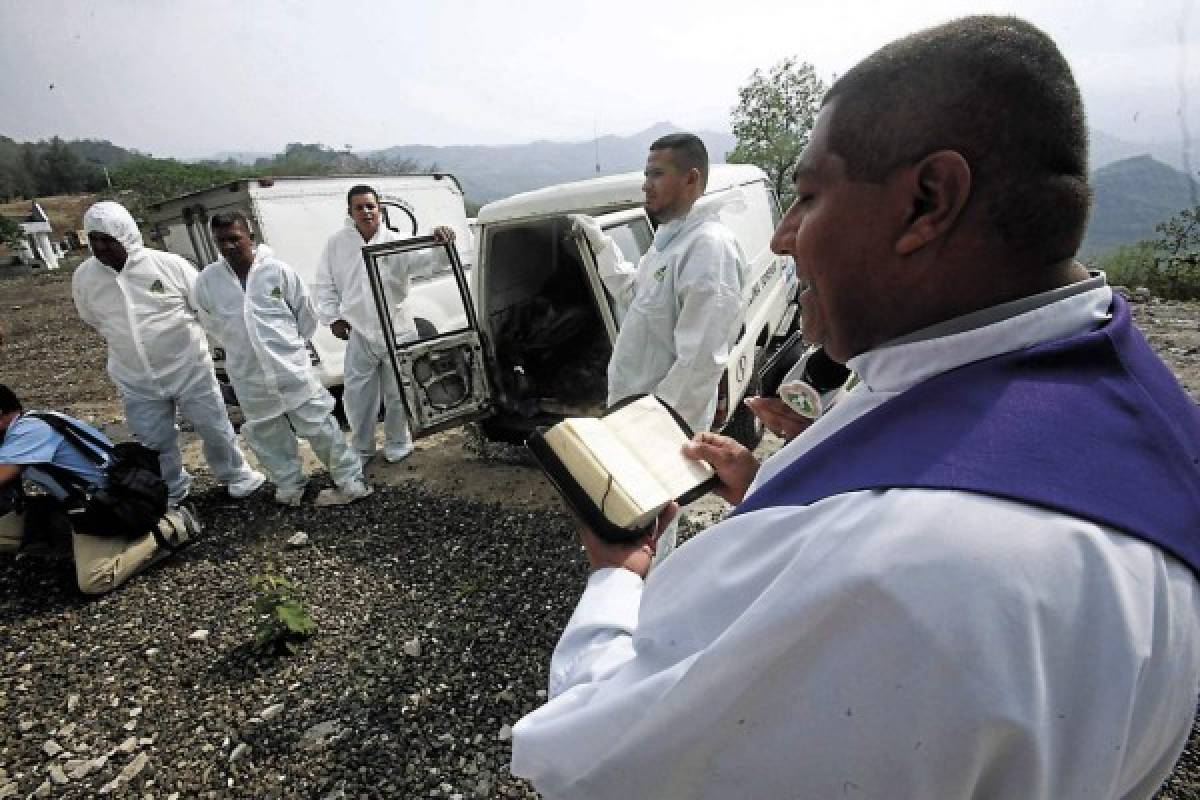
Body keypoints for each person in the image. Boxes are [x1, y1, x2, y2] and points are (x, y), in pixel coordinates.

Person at [511, 16, 1200, 800]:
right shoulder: (1153, 417)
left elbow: (610, 757)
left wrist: (614, 577)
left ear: (926, 202)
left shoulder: (883, 562)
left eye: (807, 195)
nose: (781, 237)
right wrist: (777, 482)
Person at [573, 133, 747, 563]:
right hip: (634, 412)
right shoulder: (670, 240)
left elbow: (702, 358)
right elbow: (635, 294)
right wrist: (601, 244)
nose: (645, 184)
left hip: (660, 423)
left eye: (656, 174)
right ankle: (632, 598)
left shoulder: (708, 247)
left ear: (691, 179)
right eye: (645, 173)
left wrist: (654, 428)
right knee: (633, 520)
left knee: (654, 525)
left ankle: (644, 612)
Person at [72, 201, 265, 507]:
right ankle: (173, 489)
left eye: (108, 239)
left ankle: (236, 475)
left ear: (126, 236)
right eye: (94, 240)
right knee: (154, 441)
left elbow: (204, 309)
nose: (101, 247)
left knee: (214, 427)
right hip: (135, 377)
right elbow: (92, 318)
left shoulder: (169, 266)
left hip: (189, 369)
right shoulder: (85, 277)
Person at [191, 212, 371, 507]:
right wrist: (245, 349)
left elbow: (305, 316)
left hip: (291, 369)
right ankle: (290, 484)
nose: (229, 246)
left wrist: (285, 349)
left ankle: (349, 480)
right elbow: (212, 325)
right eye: (221, 241)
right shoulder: (208, 281)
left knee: (319, 425)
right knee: (267, 434)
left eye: (235, 238)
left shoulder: (277, 272)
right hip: (249, 375)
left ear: (250, 237)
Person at [0, 384, 199, 595]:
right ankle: (84, 548)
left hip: (109, 507)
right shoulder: (29, 423)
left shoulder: (29, 431)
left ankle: (172, 526)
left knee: (95, 581)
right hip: (76, 506)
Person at [314, 184, 457, 465]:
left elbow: (430, 262)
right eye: (359, 207)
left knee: (398, 393)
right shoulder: (337, 244)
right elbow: (325, 284)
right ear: (350, 211)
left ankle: (398, 443)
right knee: (357, 396)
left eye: (371, 206)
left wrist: (442, 240)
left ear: (380, 209)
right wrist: (333, 318)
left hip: (398, 329)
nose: (366, 212)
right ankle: (362, 447)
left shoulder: (397, 241)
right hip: (359, 331)